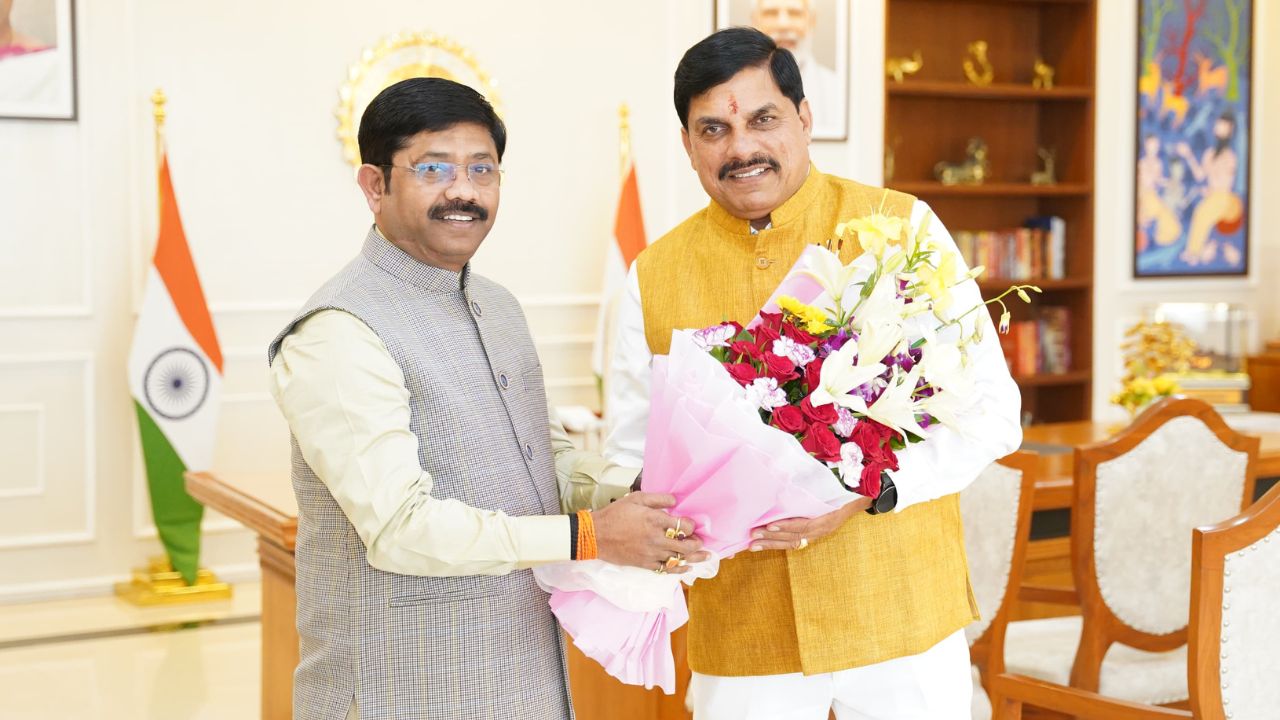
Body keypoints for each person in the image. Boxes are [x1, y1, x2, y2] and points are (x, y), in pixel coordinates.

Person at [605, 28, 1021, 719]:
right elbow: (630, 457)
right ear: (687, 144)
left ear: (804, 118)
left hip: (899, 613)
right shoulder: (655, 275)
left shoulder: (900, 228)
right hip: (745, 631)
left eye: (763, 118)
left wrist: (873, 491)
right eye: (714, 129)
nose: (741, 147)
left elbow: (992, 413)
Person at [268, 77, 707, 720]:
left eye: (482, 168)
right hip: (398, 689)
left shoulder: (497, 307)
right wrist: (592, 535)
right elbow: (399, 529)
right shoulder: (338, 329)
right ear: (374, 186)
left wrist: (640, 489)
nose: (464, 191)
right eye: (433, 169)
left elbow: (540, 461)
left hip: (519, 675)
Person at [751, 0, 842, 138]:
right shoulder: (734, 89)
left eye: (794, 13)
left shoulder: (836, 88)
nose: (783, 24)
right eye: (771, 13)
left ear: (812, 21)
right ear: (754, 21)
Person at [1176, 111, 1243, 266]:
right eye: (1218, 124)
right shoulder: (1209, 153)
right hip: (1213, 196)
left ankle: (1194, 253)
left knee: (1202, 212)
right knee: (1200, 211)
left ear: (1230, 131)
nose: (1219, 127)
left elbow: (1226, 183)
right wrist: (1188, 155)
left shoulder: (1230, 156)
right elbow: (1200, 175)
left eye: (1224, 126)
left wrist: (1211, 189)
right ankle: (1193, 251)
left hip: (1224, 198)